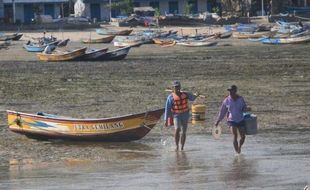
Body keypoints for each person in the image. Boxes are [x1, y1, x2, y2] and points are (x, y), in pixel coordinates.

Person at [214, 85, 250, 154]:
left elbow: (244, 108)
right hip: (231, 120)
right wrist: (218, 121)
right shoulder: (226, 100)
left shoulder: (241, 99)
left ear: (235, 91)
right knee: (235, 135)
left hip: (240, 119)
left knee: (243, 136)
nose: (230, 92)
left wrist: (247, 109)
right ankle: (237, 153)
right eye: (229, 91)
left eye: (232, 91)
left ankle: (239, 147)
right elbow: (222, 112)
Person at [164, 80, 198, 151]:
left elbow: (193, 98)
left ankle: (182, 147)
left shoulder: (185, 94)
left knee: (184, 132)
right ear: (173, 88)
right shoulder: (170, 97)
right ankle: (177, 146)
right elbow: (167, 109)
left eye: (178, 87)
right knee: (177, 129)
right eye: (175, 87)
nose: (177, 88)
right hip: (176, 115)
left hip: (185, 114)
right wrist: (166, 120)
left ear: (180, 87)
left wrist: (196, 94)